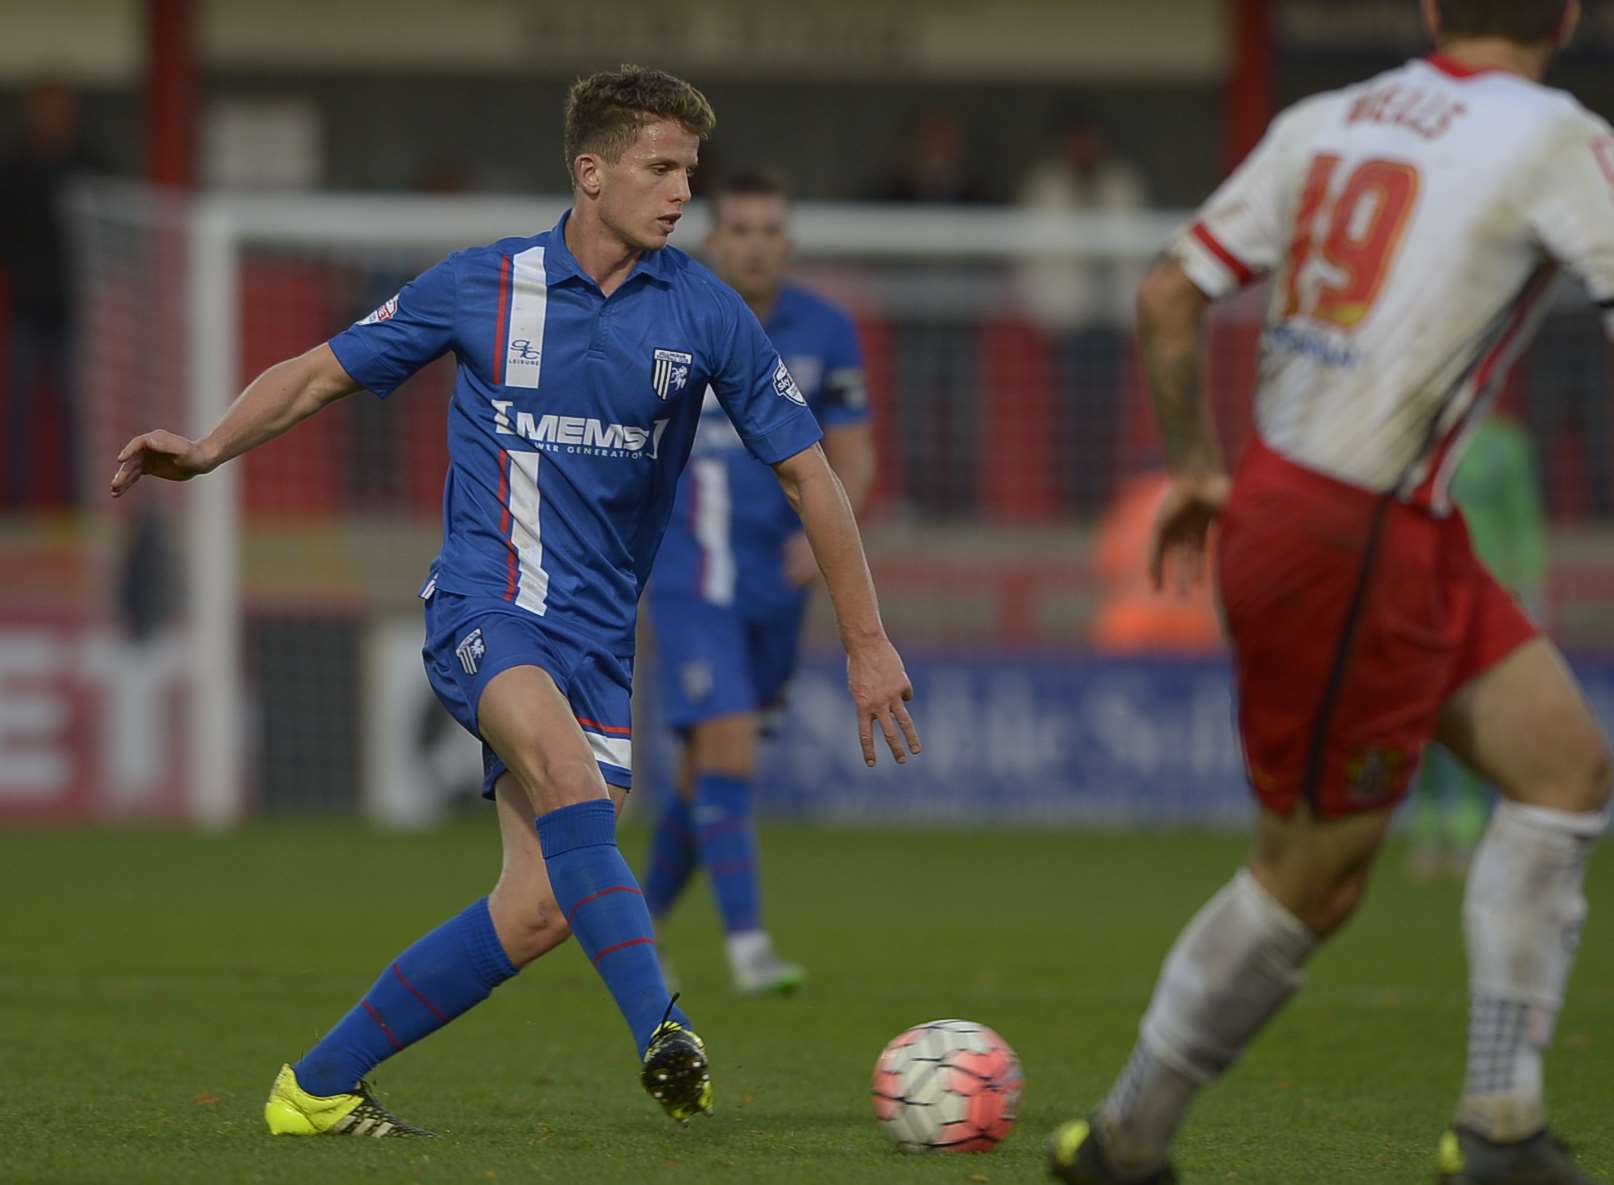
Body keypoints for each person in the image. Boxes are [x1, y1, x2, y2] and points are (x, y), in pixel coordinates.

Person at [110, 65, 920, 1138]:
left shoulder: (709, 314)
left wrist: (866, 642)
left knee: (539, 906)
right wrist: (207, 448)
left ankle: (314, 1088)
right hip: (484, 609)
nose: (684, 193)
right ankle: (664, 1030)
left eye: (691, 171)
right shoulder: (480, 285)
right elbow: (317, 373)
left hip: (595, 645)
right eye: (660, 168)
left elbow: (811, 474)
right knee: (569, 778)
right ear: (591, 172)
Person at [1046, 3, 1614, 1183]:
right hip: (1354, 540)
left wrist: (1198, 467)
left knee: (1563, 773)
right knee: (1312, 880)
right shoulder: (1556, 134)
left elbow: (1167, 294)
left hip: (1358, 514)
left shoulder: (1331, 119)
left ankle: (1503, 1125)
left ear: (1428, 9)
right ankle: (1124, 1141)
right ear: (1567, 16)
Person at [640, 171, 876, 994]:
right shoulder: (666, 311)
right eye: (739, 228)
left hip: (779, 584)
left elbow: (854, 454)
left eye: (770, 229)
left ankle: (637, 926)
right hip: (688, 570)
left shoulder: (827, 330)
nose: (755, 242)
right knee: (728, 736)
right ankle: (748, 947)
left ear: (789, 243)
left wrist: (827, 540)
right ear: (711, 241)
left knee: (714, 770)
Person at [1409, 410, 1547, 878]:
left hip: (1486, 595)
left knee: (1475, 716)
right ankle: (1428, 826)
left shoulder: (1505, 446)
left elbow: (1523, 518)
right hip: (1426, 593)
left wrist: (1528, 588)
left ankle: (1469, 829)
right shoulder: (1421, 441)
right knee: (1425, 719)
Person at [0, 80, 97, 508]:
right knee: (18, 407)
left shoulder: (86, 164)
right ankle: (16, 503)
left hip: (73, 307)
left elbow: (112, 229)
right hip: (26, 308)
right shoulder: (15, 166)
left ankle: (80, 500)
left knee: (77, 408)